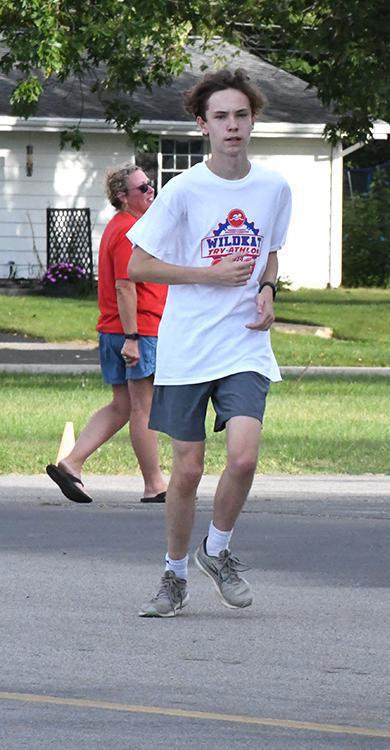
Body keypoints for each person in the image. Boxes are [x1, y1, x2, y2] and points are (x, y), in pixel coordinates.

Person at [126, 68, 292, 618]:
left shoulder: (274, 188)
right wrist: (207, 274)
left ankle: (216, 551)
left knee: (243, 458)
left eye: (241, 115)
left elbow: (270, 253)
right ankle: (173, 576)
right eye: (221, 117)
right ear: (203, 125)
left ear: (253, 120)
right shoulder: (184, 190)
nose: (232, 126)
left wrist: (267, 290)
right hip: (188, 346)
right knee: (189, 470)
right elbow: (138, 265)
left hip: (245, 344)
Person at [46, 165, 168, 505]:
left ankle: (71, 463)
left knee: (122, 406)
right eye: (142, 187)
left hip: (116, 330)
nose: (151, 190)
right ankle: (155, 484)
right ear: (122, 196)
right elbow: (125, 286)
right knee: (143, 409)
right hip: (135, 331)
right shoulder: (128, 230)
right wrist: (133, 337)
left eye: (150, 184)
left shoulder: (120, 226)